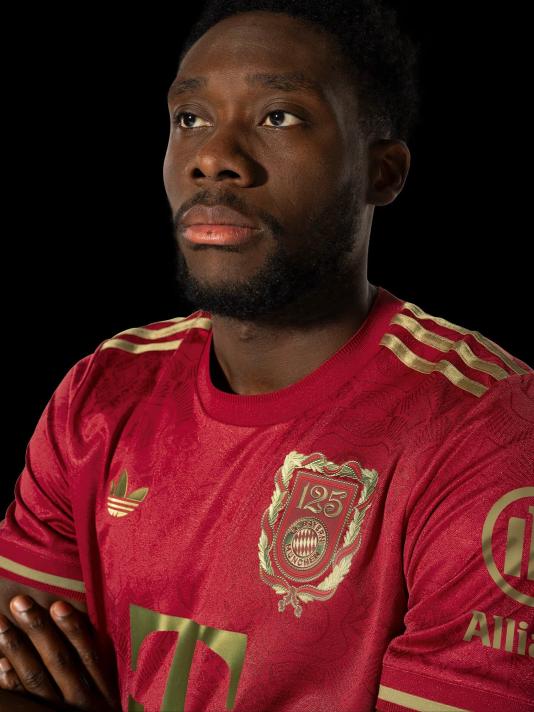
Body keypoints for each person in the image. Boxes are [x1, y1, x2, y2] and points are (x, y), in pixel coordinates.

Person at [0, 1, 532, 710]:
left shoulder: (487, 433)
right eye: (190, 118)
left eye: (279, 116)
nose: (212, 157)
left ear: (383, 172)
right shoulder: (101, 392)